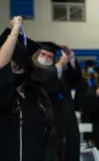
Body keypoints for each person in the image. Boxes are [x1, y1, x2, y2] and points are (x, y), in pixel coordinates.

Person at [0, 17, 59, 161]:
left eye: (19, 67)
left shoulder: (38, 95)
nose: (14, 72)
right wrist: (15, 30)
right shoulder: (4, 96)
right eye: (10, 68)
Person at [33, 41, 82, 161]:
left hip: (66, 124)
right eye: (43, 54)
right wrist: (60, 63)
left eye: (50, 56)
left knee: (69, 152)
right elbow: (46, 80)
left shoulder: (60, 74)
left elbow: (76, 77)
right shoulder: (33, 72)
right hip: (47, 127)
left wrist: (69, 55)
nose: (46, 58)